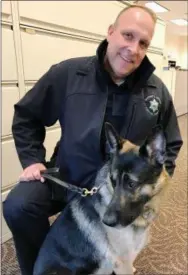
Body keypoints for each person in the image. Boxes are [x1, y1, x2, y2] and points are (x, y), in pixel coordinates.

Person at [3, 5, 183, 275]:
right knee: (18, 206)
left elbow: (170, 144)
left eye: (143, 42)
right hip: (69, 178)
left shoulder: (157, 90)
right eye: (127, 35)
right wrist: (32, 160)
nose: (133, 49)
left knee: (115, 246)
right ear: (111, 33)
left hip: (118, 188)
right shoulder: (67, 74)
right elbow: (27, 117)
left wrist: (154, 186)